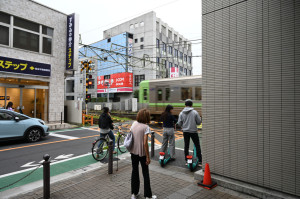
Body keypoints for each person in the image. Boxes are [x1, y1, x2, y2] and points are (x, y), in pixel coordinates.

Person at [130, 109, 156, 199]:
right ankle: (148, 196)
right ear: (146, 117)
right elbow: (145, 143)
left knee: (134, 171)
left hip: (133, 152)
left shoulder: (134, 124)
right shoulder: (146, 127)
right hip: (142, 154)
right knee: (145, 173)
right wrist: (148, 157)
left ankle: (134, 193)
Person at [177, 99, 202, 166]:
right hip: (193, 131)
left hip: (185, 131)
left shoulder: (181, 113)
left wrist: (183, 126)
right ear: (191, 105)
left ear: (185, 105)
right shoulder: (195, 112)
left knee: (186, 145)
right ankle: (200, 161)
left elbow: (179, 123)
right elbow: (199, 122)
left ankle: (187, 161)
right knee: (197, 145)